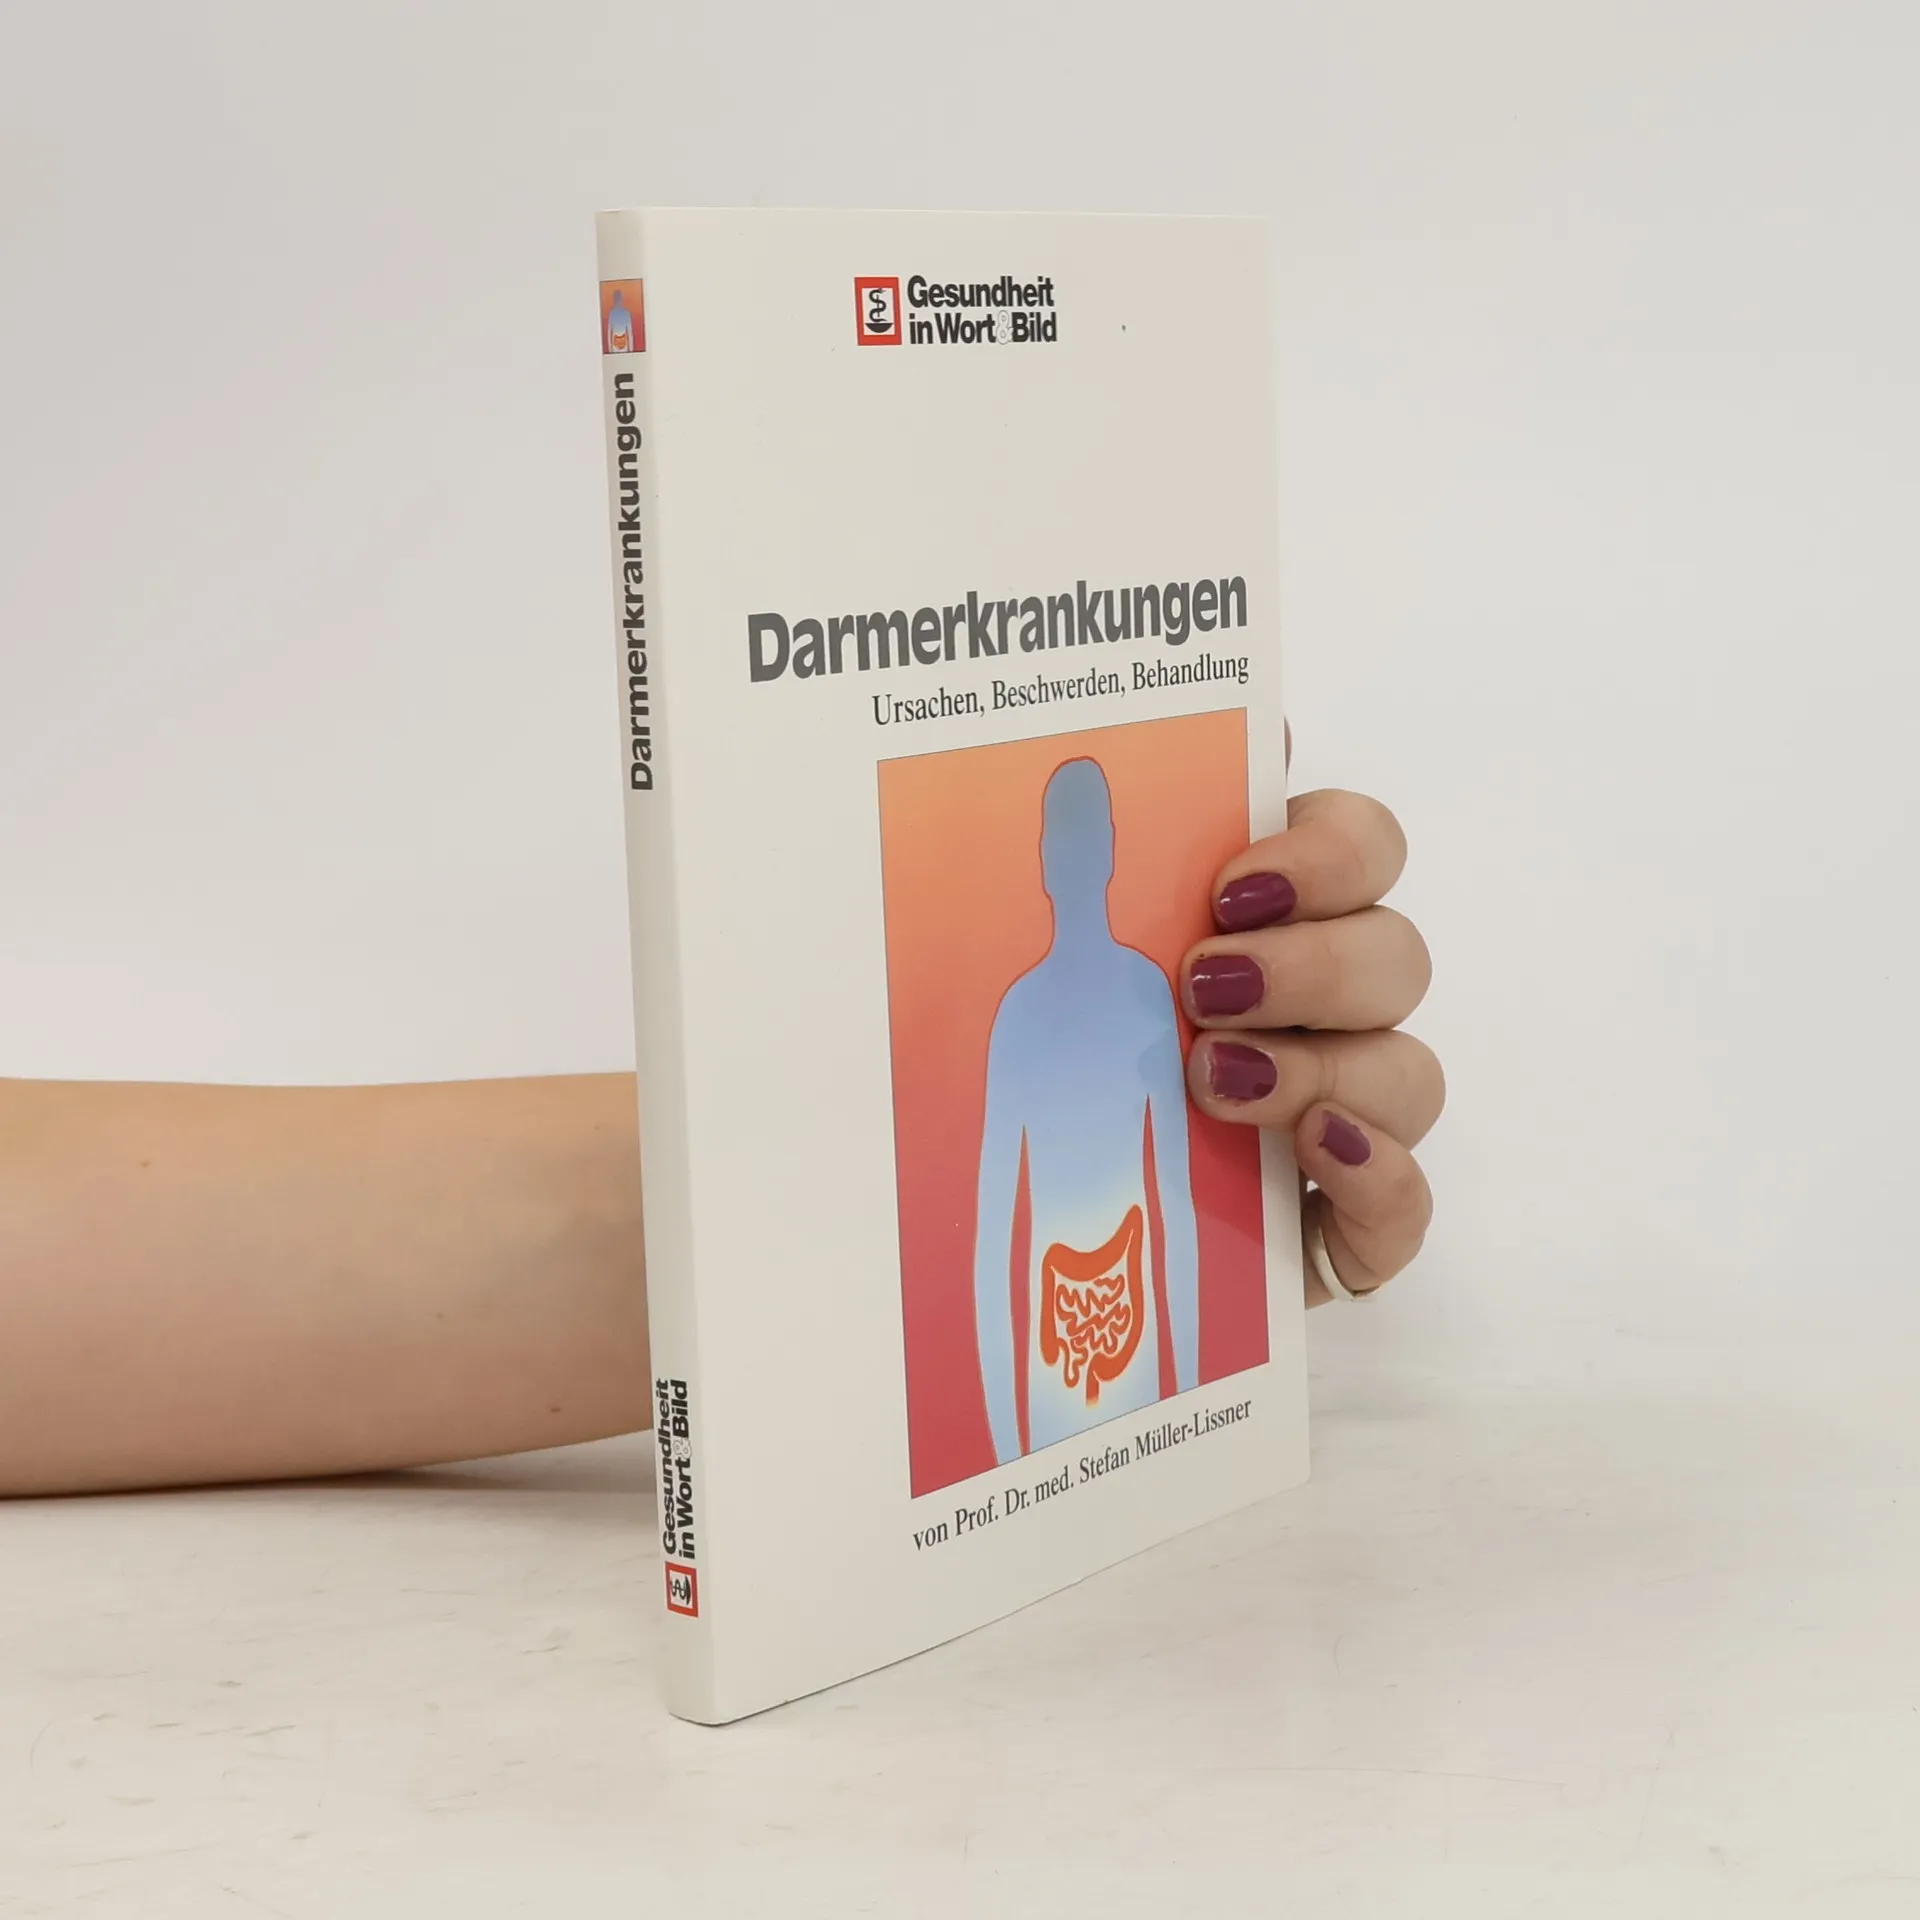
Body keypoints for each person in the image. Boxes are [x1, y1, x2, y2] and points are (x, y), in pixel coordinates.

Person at [0, 781, 1440, 1500]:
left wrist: (1232, 1259)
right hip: (1067, 1323)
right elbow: (998, 1219)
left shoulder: (1095, 999)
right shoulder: (1039, 1013)